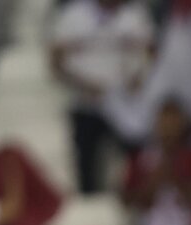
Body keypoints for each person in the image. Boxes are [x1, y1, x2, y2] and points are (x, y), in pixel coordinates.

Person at [49, 0, 155, 194]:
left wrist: (138, 78)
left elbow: (152, 54)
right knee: (87, 164)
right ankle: (88, 199)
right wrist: (81, 84)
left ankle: (134, 197)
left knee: (135, 158)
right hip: (86, 103)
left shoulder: (134, 15)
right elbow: (55, 61)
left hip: (126, 105)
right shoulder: (73, 15)